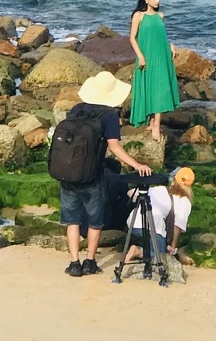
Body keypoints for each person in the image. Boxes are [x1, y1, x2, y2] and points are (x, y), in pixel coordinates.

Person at [60, 71, 152, 278]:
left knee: (72, 220)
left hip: (68, 172)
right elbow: (114, 147)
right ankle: (90, 261)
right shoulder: (109, 115)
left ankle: (74, 263)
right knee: (95, 220)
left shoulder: (76, 110)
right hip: (93, 174)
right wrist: (136, 164)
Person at [129, 0, 180, 141]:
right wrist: (141, 56)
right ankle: (152, 122)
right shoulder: (139, 16)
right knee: (149, 87)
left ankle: (155, 124)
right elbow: (132, 38)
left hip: (161, 56)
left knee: (159, 89)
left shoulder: (160, 16)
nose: (158, 1)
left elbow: (160, 36)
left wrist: (170, 45)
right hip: (147, 56)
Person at [122, 166, 195, 266]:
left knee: (153, 246)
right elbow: (178, 226)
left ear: (174, 179)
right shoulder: (184, 200)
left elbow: (130, 192)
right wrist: (173, 246)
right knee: (161, 257)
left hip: (133, 224)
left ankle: (140, 250)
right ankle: (138, 251)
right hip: (153, 226)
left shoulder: (160, 189)